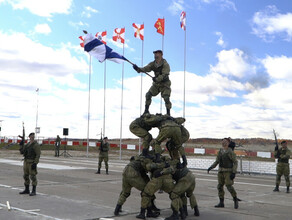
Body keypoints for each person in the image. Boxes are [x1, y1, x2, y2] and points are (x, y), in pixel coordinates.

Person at [133, 50, 172, 115]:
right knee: (148, 95)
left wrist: (157, 79)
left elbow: (165, 74)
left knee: (166, 97)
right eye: (155, 54)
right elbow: (146, 68)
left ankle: (168, 113)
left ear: (161, 55)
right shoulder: (153, 64)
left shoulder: (165, 64)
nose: (156, 55)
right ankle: (146, 111)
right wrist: (138, 69)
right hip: (156, 84)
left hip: (165, 84)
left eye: (157, 54)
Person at [207, 138, 239, 209]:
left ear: (228, 143)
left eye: (225, 142)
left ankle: (235, 199)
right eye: (223, 142)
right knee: (219, 186)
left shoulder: (230, 152)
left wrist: (233, 172)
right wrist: (211, 167)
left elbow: (235, 162)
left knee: (229, 186)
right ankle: (221, 202)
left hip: (228, 171)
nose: (224, 143)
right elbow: (217, 161)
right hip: (221, 171)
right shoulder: (220, 151)